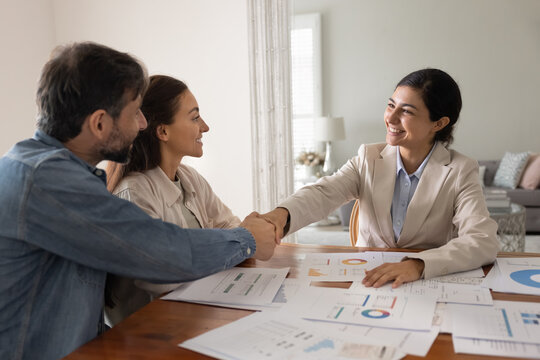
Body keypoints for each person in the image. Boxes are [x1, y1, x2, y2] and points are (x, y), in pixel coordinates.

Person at [0, 42, 276, 360]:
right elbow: (159, 250)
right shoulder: (47, 181)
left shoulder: (42, 169)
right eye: (135, 113)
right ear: (100, 123)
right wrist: (247, 239)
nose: (142, 124)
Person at [262, 68, 499, 288]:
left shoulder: (460, 170)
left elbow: (482, 239)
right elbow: (324, 193)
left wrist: (418, 265)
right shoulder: (369, 157)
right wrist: (281, 215)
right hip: (366, 281)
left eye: (406, 111)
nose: (391, 118)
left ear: (439, 123)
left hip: (424, 285)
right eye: (390, 105)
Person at [104, 75, 243, 325]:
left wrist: (235, 241)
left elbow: (231, 227)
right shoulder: (133, 194)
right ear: (163, 131)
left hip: (189, 318)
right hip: (149, 335)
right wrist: (233, 243)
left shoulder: (189, 177)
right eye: (194, 117)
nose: (205, 127)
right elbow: (165, 276)